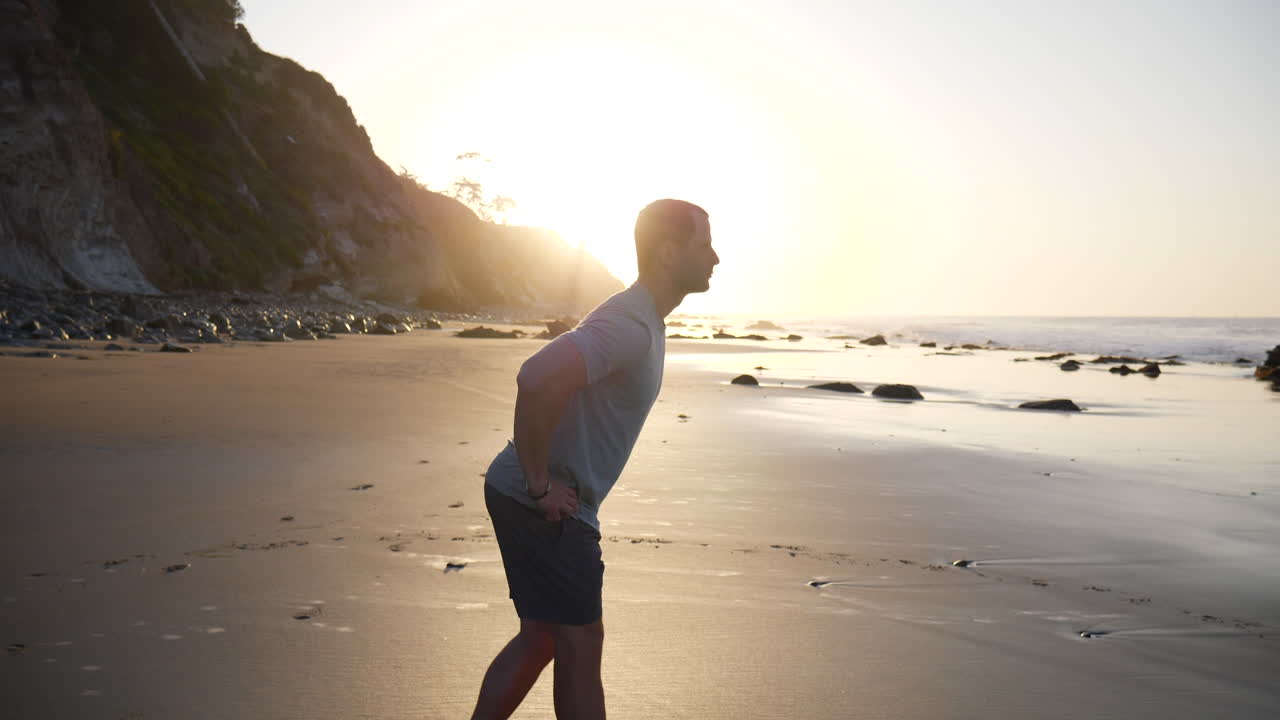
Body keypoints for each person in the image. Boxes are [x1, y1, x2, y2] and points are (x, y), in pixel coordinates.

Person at [470, 199, 719, 720]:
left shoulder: (643, 317)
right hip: (542, 502)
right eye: (705, 246)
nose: (716, 258)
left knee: (542, 636)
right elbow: (535, 378)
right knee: (581, 639)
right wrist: (540, 487)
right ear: (670, 253)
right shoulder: (631, 324)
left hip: (522, 490)